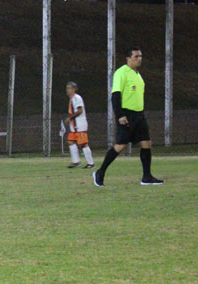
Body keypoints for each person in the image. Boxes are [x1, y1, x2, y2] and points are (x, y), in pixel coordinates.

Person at [93, 47, 163, 187]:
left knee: (146, 143)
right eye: (136, 56)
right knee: (120, 145)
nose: (139, 59)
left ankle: (147, 177)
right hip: (127, 114)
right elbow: (115, 96)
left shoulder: (138, 74)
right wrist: (120, 115)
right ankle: (100, 172)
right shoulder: (121, 73)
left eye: (140, 56)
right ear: (128, 58)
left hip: (139, 115)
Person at [64, 81, 94, 169]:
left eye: (70, 88)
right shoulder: (72, 99)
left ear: (74, 89)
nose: (68, 90)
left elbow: (80, 110)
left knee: (83, 144)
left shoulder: (77, 98)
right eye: (67, 88)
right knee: (70, 141)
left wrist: (70, 118)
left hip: (79, 125)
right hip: (74, 127)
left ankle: (90, 163)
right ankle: (76, 162)